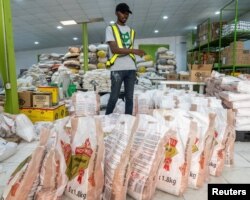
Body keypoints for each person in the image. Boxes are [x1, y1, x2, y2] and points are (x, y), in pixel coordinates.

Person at [105, 2, 145, 115]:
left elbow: (128, 48)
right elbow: (114, 49)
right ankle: (105, 120)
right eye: (123, 13)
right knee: (114, 97)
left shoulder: (131, 31)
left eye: (127, 14)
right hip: (117, 68)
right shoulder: (110, 28)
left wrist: (135, 53)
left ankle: (128, 121)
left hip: (131, 69)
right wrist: (135, 51)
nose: (125, 16)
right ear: (117, 13)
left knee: (129, 98)